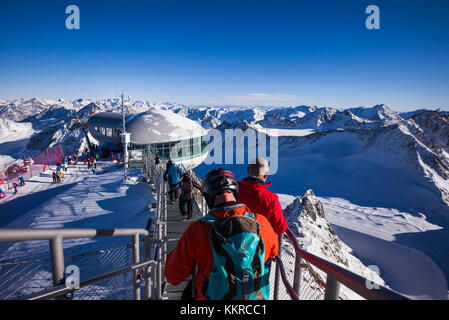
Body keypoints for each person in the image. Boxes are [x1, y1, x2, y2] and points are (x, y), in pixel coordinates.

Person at [164, 168, 279, 300]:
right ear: (235, 193)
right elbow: (273, 251)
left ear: (208, 197)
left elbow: (173, 275)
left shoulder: (197, 230)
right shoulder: (261, 223)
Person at [238, 158, 287, 235]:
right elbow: (280, 228)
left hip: (232, 242)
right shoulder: (270, 198)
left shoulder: (233, 190)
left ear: (248, 170)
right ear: (265, 175)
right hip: (260, 244)